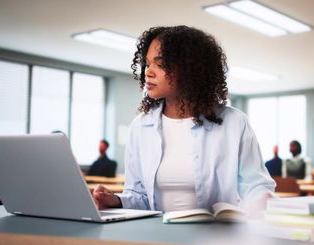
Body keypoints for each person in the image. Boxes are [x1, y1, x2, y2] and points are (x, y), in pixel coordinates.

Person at [91, 25, 275, 214]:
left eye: (160, 64)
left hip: (216, 238)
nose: (148, 72)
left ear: (190, 69)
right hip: (156, 238)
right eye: (147, 63)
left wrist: (264, 201)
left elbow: (256, 186)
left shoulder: (234, 122)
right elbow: (139, 196)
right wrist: (116, 201)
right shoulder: (140, 126)